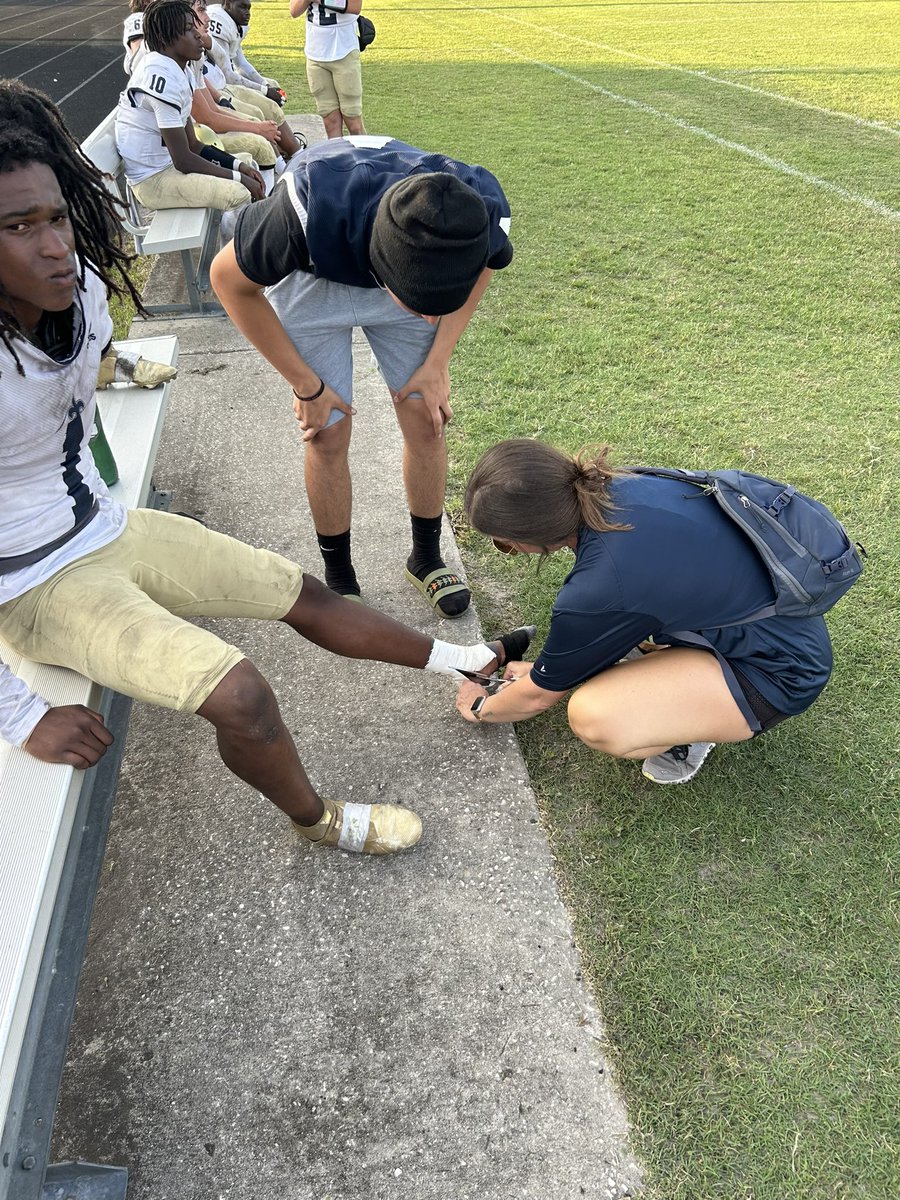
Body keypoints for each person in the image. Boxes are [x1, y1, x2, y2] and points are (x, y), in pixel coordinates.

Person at [0, 79, 532, 856]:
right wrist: (22, 716)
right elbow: (233, 281)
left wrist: (112, 365)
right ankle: (316, 821)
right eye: (19, 227)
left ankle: (474, 661)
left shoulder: (75, 289)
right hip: (29, 583)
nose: (55, 244)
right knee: (242, 693)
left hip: (104, 526)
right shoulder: (308, 209)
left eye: (55, 217)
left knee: (303, 594)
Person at [210, 136, 513, 618]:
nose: (428, 316)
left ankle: (426, 557)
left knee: (426, 416)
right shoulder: (300, 212)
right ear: (386, 272)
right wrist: (305, 386)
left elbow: (485, 266)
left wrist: (438, 361)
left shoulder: (475, 205)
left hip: (406, 262)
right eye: (421, 305)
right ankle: (339, 575)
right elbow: (228, 282)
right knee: (327, 433)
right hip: (311, 279)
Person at [455, 439, 836, 784]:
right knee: (607, 657)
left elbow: (537, 698)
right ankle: (683, 683)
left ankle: (687, 735)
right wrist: (547, 671)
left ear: (531, 534)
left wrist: (480, 706)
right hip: (785, 629)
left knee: (594, 715)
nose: (506, 549)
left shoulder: (602, 586)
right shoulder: (625, 483)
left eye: (503, 542)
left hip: (776, 673)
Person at [115, 0, 265, 230]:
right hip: (152, 179)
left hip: (168, 166)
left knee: (247, 163)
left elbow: (193, 145)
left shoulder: (178, 68)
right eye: (188, 29)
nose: (198, 35)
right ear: (166, 39)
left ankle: (246, 248)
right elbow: (183, 160)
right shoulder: (159, 75)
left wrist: (237, 167)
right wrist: (237, 178)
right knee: (237, 192)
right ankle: (234, 263)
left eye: (195, 27)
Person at [290, 0, 365, 139]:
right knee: (330, 121)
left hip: (344, 49)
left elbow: (355, 6)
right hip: (315, 52)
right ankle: (337, 159)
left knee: (353, 120)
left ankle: (364, 159)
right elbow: (294, 11)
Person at [207, 0, 286, 114]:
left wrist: (266, 85)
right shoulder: (218, 21)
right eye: (242, 7)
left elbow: (241, 64)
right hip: (218, 85)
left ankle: (276, 126)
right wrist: (264, 90)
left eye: (248, 8)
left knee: (273, 85)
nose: (247, 13)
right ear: (227, 4)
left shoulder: (235, 23)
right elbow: (228, 75)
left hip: (226, 80)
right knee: (265, 108)